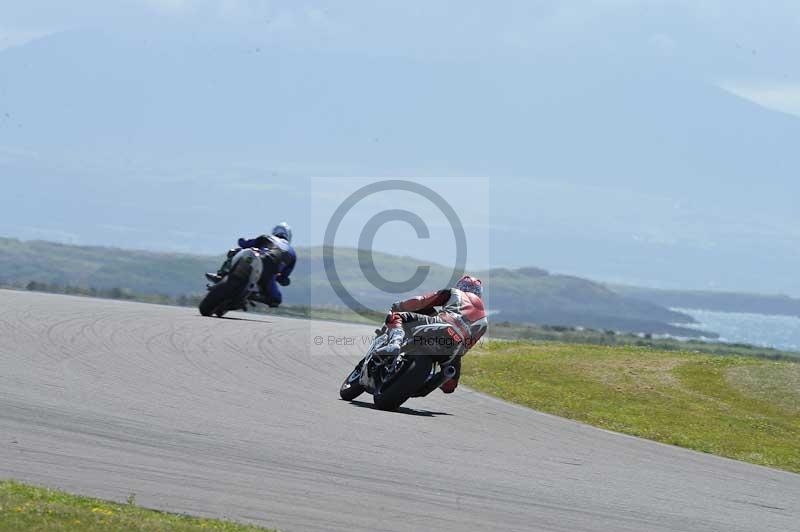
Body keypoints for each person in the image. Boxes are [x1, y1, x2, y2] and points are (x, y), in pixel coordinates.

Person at [380, 275, 487, 394]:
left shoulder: (454, 292)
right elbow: (465, 348)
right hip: (455, 345)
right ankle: (431, 380)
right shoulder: (484, 321)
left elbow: (422, 301)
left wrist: (399, 306)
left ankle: (395, 342)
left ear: (460, 286)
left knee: (397, 316)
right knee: (450, 386)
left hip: (443, 323)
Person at [205, 222, 296, 308]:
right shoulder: (292, 253)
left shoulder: (268, 237)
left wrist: (242, 240)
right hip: (268, 274)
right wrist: (282, 279)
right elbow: (283, 278)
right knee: (276, 299)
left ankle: (221, 274)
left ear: (274, 232)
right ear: (289, 237)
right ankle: (252, 295)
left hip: (257, 261)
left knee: (235, 251)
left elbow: (244, 243)